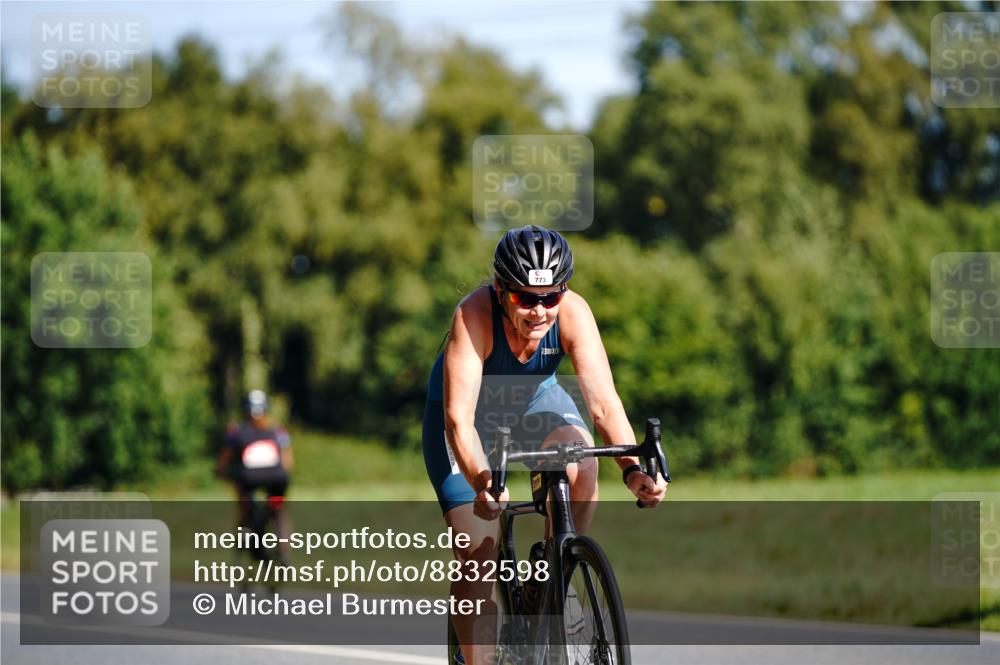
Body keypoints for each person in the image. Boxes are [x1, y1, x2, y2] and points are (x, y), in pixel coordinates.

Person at [422, 225, 668, 665]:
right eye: (525, 299)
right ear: (501, 291)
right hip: (468, 417)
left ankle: (556, 572)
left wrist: (633, 469)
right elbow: (459, 420)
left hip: (536, 403)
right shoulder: (472, 315)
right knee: (479, 551)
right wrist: (484, 482)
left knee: (583, 464)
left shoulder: (574, 313)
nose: (539, 311)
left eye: (550, 298)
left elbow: (605, 405)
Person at [216, 390, 294, 556]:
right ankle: (284, 551)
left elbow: (224, 460)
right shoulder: (278, 431)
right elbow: (288, 461)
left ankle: (243, 544)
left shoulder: (237, 431)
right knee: (278, 509)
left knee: (245, 510)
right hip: (278, 477)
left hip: (249, 478)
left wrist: (222, 472)